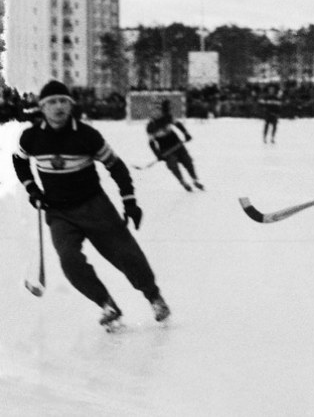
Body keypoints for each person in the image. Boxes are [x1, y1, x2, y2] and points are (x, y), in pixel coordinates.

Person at [11, 81, 170, 331]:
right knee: (69, 260)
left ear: (70, 105)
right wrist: (33, 189)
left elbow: (116, 166)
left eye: (63, 101)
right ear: (42, 107)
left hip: (94, 206)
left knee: (126, 255)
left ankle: (154, 297)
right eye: (52, 102)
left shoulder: (86, 135)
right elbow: (19, 161)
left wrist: (129, 201)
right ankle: (107, 305)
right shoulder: (31, 137)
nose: (58, 107)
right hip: (58, 212)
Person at [146, 99, 204, 191]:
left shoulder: (167, 117)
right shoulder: (150, 126)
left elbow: (178, 124)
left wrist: (186, 133)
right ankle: (183, 182)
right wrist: (157, 154)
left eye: (158, 110)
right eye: (154, 111)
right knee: (173, 166)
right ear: (151, 113)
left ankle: (195, 180)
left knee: (188, 162)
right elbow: (151, 142)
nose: (156, 113)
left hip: (177, 145)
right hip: (166, 150)